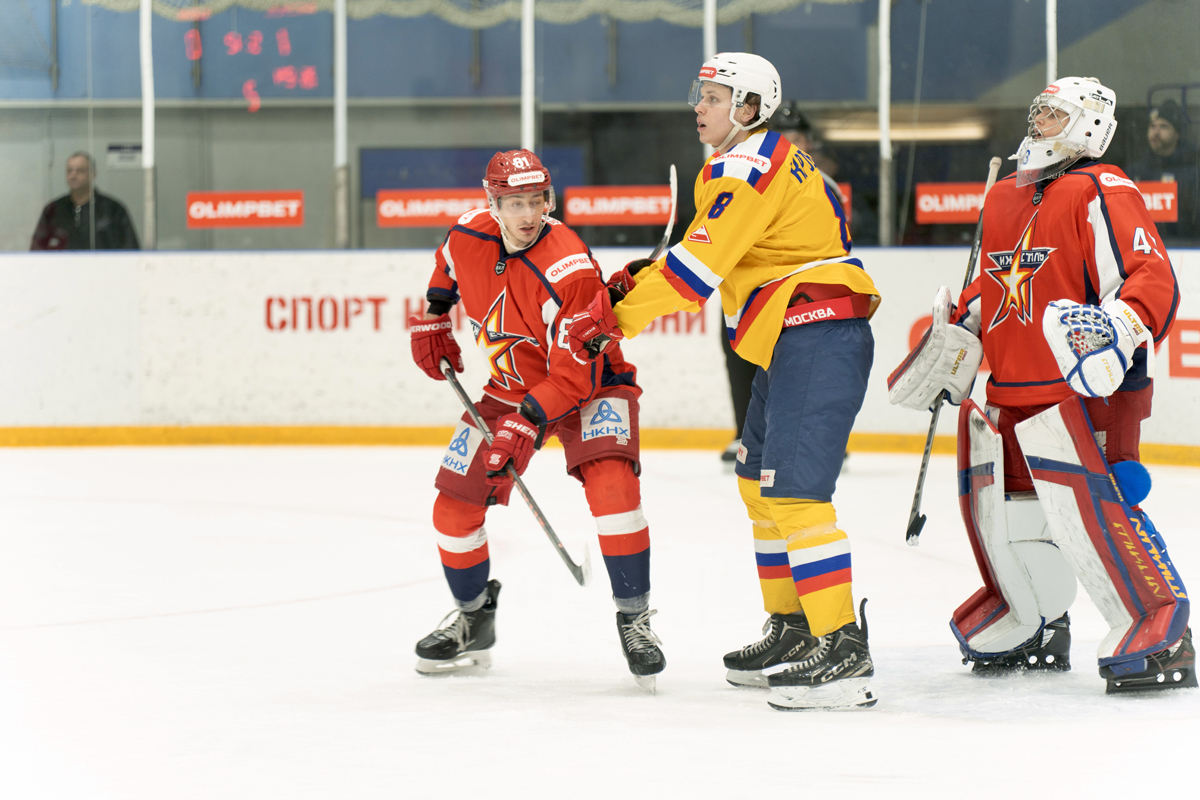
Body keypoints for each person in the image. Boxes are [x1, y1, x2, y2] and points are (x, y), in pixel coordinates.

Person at [567, 53, 881, 711]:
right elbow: (710, 254)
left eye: (712, 95)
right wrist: (634, 283)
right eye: (698, 93)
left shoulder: (745, 166)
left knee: (794, 496)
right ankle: (795, 627)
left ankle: (843, 648)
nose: (697, 105)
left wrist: (612, 319)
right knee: (758, 485)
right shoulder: (765, 160)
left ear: (748, 107)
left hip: (816, 334)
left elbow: (693, 275)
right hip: (794, 337)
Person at [888, 77, 1193, 694]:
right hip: (1012, 389)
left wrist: (1120, 328)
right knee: (1006, 513)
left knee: (1099, 508)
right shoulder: (1006, 194)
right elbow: (997, 285)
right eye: (1038, 111)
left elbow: (1150, 277)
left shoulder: (1103, 188)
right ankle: (1033, 618)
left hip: (1089, 389)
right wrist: (960, 333)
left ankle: (1159, 624)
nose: (1039, 122)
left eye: (1054, 113)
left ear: (1090, 125)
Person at [408, 150, 665, 690]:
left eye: (537, 201)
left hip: (593, 383)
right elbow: (446, 265)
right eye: (515, 203)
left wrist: (525, 424)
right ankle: (473, 620)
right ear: (492, 204)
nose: (528, 214)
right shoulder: (468, 232)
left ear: (549, 199)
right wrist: (433, 317)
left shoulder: (569, 266)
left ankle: (635, 618)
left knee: (613, 488)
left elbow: (572, 376)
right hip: (510, 388)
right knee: (452, 510)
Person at [31, 152, 140, 250]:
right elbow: (37, 250)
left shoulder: (112, 209)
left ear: (93, 174)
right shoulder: (54, 209)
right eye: (69, 171)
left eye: (80, 171)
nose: (73, 175)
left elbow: (130, 249)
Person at [1126, 99, 1198, 242]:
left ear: (1177, 133)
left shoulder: (1193, 175)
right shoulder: (1133, 172)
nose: (1156, 132)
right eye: (1152, 126)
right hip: (1142, 247)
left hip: (1184, 247)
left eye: (1164, 126)